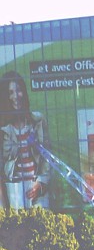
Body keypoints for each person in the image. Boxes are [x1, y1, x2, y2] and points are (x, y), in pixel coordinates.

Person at [1, 72, 51, 210]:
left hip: (37, 191)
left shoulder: (38, 121)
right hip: (14, 193)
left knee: (41, 228)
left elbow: (47, 157)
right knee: (19, 230)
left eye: (18, 90)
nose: (15, 96)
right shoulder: (2, 129)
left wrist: (40, 184)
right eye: (10, 92)